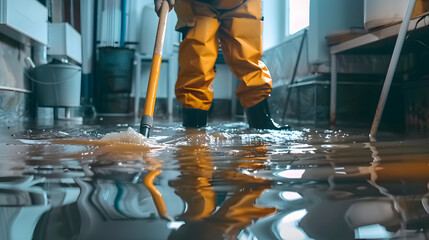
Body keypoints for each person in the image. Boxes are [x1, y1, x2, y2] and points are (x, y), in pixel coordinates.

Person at [154, 0, 289, 130]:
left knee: (248, 59)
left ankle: (261, 123)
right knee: (197, 64)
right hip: (196, 3)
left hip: (243, 2)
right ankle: (194, 129)